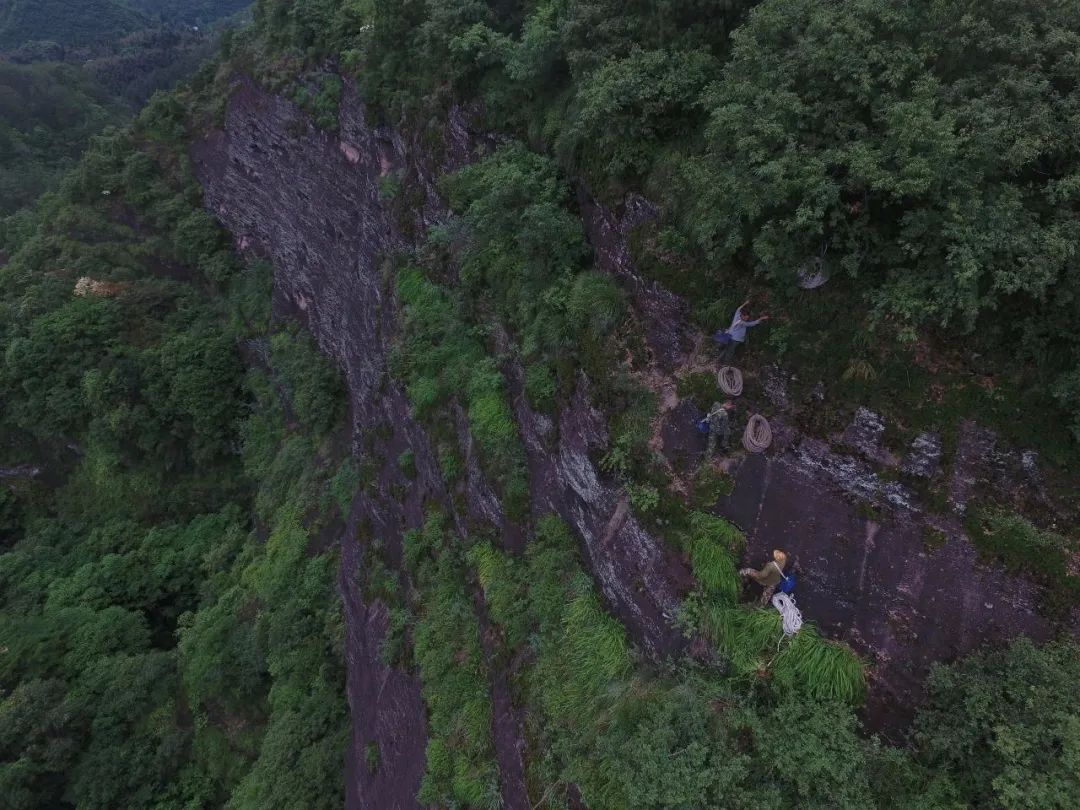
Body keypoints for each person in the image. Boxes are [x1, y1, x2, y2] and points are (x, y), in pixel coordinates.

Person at [715, 299, 768, 364]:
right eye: (745, 318)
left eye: (747, 318)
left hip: (730, 336)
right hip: (735, 339)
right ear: (742, 315)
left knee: (727, 349)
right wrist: (761, 318)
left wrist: (745, 303)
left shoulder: (737, 315)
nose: (746, 319)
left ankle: (719, 360)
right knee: (730, 351)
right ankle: (725, 364)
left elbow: (738, 308)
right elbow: (751, 324)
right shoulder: (742, 323)